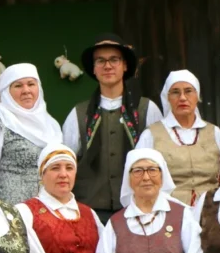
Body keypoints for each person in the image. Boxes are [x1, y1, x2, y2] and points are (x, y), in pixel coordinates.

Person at [62, 33, 163, 222]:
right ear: (94, 68)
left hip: (138, 208)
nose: (107, 66)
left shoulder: (147, 109)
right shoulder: (78, 113)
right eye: (100, 61)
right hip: (88, 210)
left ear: (125, 66)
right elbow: (66, 161)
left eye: (114, 60)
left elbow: (159, 161)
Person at [0, 63, 64, 205]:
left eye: (31, 84)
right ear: (6, 92)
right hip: (11, 215)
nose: (26, 90)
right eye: (18, 86)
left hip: (49, 215)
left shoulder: (52, 126)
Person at [136, 70, 220, 205]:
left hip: (212, 208)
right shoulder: (151, 135)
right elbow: (137, 176)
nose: (182, 98)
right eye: (176, 92)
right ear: (167, 97)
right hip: (169, 210)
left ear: (197, 96)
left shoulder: (214, 132)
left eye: (188, 91)